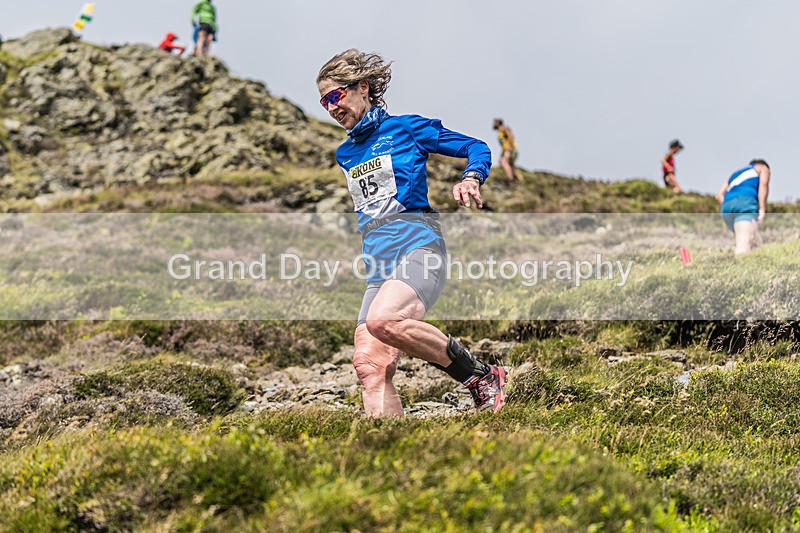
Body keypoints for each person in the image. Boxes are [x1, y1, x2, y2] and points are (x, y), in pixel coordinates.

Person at [317, 49, 506, 417]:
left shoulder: (406, 129)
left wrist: (471, 177)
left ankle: (482, 377)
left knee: (383, 321)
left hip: (419, 248)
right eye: (323, 102)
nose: (330, 108)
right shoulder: (345, 153)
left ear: (363, 88)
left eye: (335, 95)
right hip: (378, 265)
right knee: (369, 365)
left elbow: (476, 147)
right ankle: (388, 454)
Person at [715, 159, 771, 254]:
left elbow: (719, 195)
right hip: (745, 203)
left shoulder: (735, 174)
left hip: (727, 206)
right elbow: (764, 184)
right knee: (744, 242)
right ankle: (738, 267)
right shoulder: (762, 168)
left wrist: (731, 204)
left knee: (754, 241)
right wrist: (762, 208)